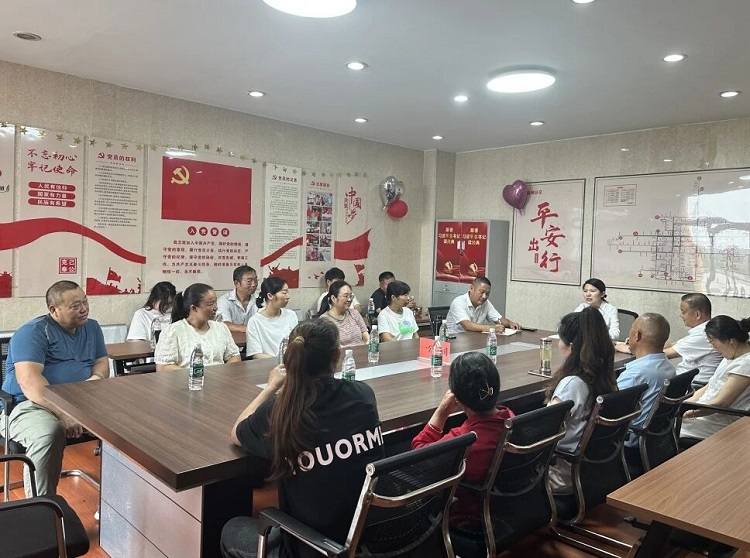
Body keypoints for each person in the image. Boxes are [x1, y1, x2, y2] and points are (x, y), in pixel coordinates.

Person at [220, 319, 383, 558]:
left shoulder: (282, 411)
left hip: (311, 546)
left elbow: (237, 432)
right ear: (337, 356)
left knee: (232, 528)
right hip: (367, 534)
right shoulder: (363, 394)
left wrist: (270, 387)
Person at [0, 281, 109, 497]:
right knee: (49, 432)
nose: (84, 309)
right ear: (54, 310)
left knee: (127, 424)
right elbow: (30, 383)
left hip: (79, 399)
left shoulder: (92, 327)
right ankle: (41, 505)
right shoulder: (33, 332)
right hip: (28, 404)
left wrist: (95, 379)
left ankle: (116, 504)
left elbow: (101, 362)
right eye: (75, 306)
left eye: (85, 302)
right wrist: (63, 414)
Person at [411, 352, 513, 527]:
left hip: (466, 516)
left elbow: (419, 457)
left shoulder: (464, 440)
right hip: (504, 508)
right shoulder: (510, 417)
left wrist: (442, 412)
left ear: (456, 397)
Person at [546, 306, 617, 494]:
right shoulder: (605, 376)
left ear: (570, 346)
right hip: (589, 472)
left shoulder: (572, 384)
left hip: (558, 475)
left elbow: (544, 432)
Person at [680, 315, 750, 444]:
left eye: (713, 342)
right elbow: (709, 386)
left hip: (717, 421)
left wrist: (688, 413)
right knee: (662, 423)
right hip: (703, 411)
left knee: (663, 431)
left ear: (730, 340)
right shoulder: (730, 356)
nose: (713, 348)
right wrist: (682, 405)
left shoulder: (746, 363)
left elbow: (721, 403)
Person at [616, 313, 675, 464]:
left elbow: (611, 414)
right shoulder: (669, 368)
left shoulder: (635, 375)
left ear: (637, 335)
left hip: (628, 448)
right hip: (654, 443)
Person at [154, 283, 241, 370]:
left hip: (219, 377)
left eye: (215, 302)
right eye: (210, 304)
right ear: (194, 308)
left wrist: (222, 373)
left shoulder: (221, 328)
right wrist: (196, 374)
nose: (216, 307)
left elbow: (234, 356)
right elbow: (163, 367)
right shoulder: (173, 331)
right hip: (187, 378)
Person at [445, 276, 521, 334]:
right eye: (481, 292)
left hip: (474, 340)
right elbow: (467, 325)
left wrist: (510, 323)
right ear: (471, 288)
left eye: (487, 294)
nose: (484, 296)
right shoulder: (458, 302)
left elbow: (499, 319)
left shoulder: (486, 303)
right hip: (454, 341)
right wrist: (492, 328)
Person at [245, 277, 299, 359]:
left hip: (291, 363)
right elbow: (256, 354)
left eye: (288, 292)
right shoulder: (255, 321)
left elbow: (297, 345)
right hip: (267, 364)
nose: (288, 296)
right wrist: (280, 361)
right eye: (284, 293)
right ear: (270, 296)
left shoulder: (291, 315)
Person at [319, 280, 370, 347]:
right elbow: (333, 345)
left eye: (351, 296)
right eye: (346, 296)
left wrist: (367, 344)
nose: (349, 300)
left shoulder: (355, 313)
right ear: (333, 298)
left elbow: (365, 333)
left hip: (362, 351)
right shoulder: (324, 320)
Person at [217, 265, 259, 334]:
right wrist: (251, 328)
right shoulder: (225, 301)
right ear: (237, 283)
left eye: (255, 280)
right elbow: (225, 325)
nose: (254, 284)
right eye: (249, 281)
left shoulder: (260, 300)